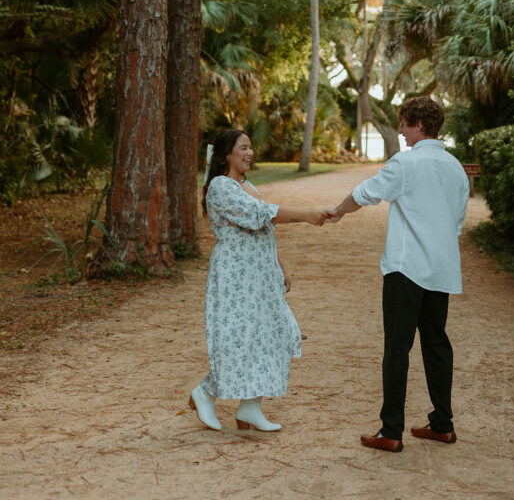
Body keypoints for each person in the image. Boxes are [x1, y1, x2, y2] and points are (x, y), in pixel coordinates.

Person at [323, 96, 469, 453]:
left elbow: (365, 193)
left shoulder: (407, 162)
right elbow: (457, 223)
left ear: (418, 125)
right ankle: (443, 425)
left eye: (403, 125)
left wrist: (338, 212)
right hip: (440, 269)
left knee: (397, 348)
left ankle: (391, 431)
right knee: (436, 342)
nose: (401, 132)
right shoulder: (455, 169)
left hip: (406, 269)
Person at [189, 128, 326, 433]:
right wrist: (306, 214)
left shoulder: (246, 184)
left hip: (260, 274)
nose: (249, 153)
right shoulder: (221, 187)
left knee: (271, 332)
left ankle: (250, 407)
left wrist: (280, 268)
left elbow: (264, 231)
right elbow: (260, 215)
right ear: (227, 155)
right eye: (243, 148)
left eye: (251, 147)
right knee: (241, 336)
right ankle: (205, 393)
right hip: (236, 274)